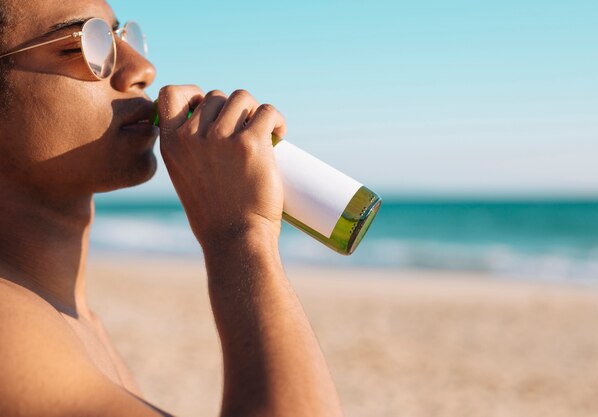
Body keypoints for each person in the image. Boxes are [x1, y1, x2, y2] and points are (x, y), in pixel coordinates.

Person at [0, 1, 344, 416]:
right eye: (89, 42)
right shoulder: (9, 330)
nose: (142, 68)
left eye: (121, 37)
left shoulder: (66, 312)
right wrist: (240, 235)